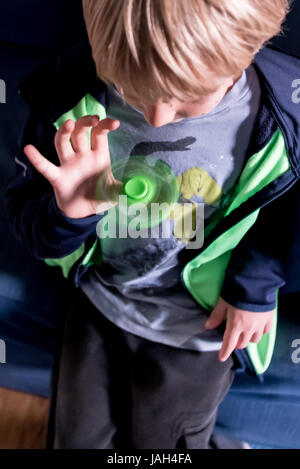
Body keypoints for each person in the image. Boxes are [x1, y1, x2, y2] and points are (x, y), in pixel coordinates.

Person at [5, 0, 300, 449]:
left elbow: (282, 217)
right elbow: (34, 228)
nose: (157, 119)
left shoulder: (281, 121)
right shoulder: (65, 97)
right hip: (98, 300)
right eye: (129, 89)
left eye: (189, 95)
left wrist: (254, 289)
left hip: (199, 331)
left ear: (253, 45)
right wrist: (70, 213)